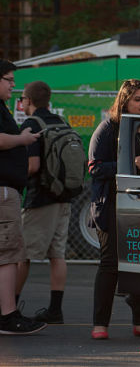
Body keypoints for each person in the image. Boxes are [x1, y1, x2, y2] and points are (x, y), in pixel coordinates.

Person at [88, 79, 140, 340]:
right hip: (111, 205)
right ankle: (100, 324)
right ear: (124, 101)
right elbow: (94, 168)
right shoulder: (107, 128)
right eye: (138, 99)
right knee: (110, 264)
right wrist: (129, 164)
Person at [14, 81, 72, 324]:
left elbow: (33, 166)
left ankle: (10, 307)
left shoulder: (31, 125)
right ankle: (55, 310)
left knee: (22, 254)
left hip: (41, 199)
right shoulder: (62, 122)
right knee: (57, 254)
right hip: (64, 195)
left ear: (28, 100)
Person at [0, 60, 46, 335]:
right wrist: (23, 140)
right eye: (8, 79)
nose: (12, 84)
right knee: (6, 254)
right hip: (3, 191)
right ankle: (8, 315)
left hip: (8, 190)